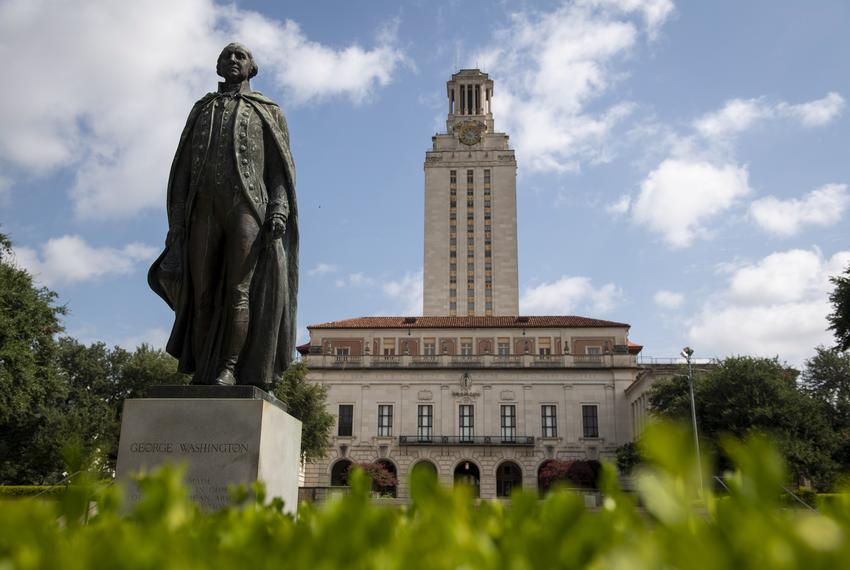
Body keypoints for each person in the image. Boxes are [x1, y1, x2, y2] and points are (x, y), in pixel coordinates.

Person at [148, 43, 298, 388]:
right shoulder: (202, 110)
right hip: (203, 210)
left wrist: (279, 207)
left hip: (247, 207)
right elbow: (182, 169)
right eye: (226, 55)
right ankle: (204, 367)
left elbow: (279, 169)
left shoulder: (268, 110)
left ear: (252, 68)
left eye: (240, 56)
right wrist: (177, 223)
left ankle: (228, 368)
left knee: (238, 291)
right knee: (201, 293)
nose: (232, 60)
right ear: (217, 64)